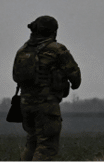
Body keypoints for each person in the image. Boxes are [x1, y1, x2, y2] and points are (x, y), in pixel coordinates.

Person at [12, 15, 81, 162]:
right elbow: (76, 78)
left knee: (32, 144)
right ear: (53, 32)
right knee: (47, 147)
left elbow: (15, 76)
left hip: (25, 106)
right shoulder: (57, 50)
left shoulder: (23, 50)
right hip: (46, 107)